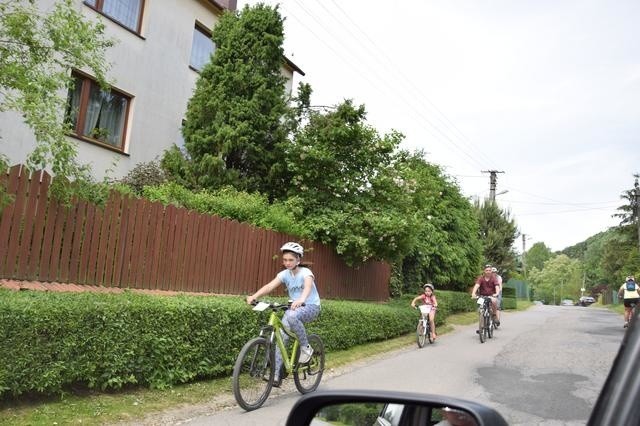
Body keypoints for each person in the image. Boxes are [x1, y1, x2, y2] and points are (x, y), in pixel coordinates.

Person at [246, 242, 321, 386]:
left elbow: (307, 287)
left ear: (298, 260)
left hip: (310, 306)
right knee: (282, 338)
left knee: (292, 316)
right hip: (294, 307)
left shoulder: (306, 273)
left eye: (291, 260)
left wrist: (301, 299)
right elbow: (269, 286)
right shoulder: (284, 274)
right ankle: (276, 376)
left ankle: (306, 348)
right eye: (285, 260)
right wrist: (254, 296)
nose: (287, 263)